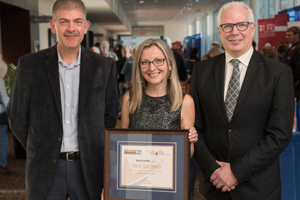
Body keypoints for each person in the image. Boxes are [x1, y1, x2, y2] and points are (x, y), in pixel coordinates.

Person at [7, 0, 119, 199]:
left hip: (89, 166)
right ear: (53, 26)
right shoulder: (29, 65)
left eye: (77, 21)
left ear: (85, 26)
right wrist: (41, 147)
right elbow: (17, 117)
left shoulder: (104, 67)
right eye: (64, 21)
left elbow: (109, 117)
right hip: (45, 167)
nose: (71, 28)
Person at [189, 2, 294, 200]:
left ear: (252, 28)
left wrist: (236, 171)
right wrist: (212, 170)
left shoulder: (278, 73)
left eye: (242, 25)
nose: (234, 32)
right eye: (227, 26)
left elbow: (279, 135)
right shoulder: (202, 71)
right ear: (219, 32)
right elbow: (195, 129)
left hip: (259, 188)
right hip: (215, 186)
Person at [0, 59, 11, 174]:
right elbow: (5, 100)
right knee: (2, 140)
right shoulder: (0, 82)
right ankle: (2, 165)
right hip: (0, 115)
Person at [284, 26, 300, 101]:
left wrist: (294, 81)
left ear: (297, 35)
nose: (287, 37)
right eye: (286, 35)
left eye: (290, 35)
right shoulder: (292, 48)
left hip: (296, 85)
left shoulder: (298, 48)